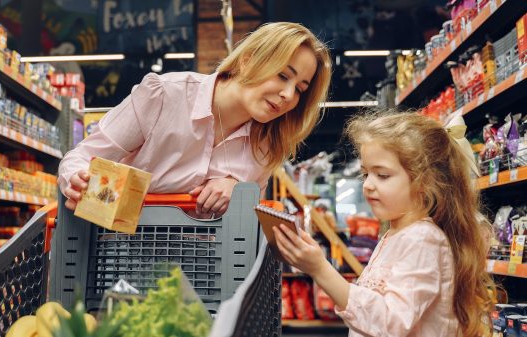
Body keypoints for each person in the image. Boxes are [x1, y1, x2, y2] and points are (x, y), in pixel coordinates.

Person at [58, 22, 332, 218]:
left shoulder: (267, 144)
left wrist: (239, 192)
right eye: (283, 75)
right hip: (118, 259)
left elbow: (245, 229)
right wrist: (81, 183)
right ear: (248, 61)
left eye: (300, 89)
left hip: (204, 274)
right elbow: (81, 157)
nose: (288, 94)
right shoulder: (164, 96)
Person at [274, 111, 494, 336]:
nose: (368, 185)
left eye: (382, 175)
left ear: (425, 182)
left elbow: (392, 323)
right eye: (366, 174)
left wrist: (320, 269)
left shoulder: (422, 239)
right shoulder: (397, 234)